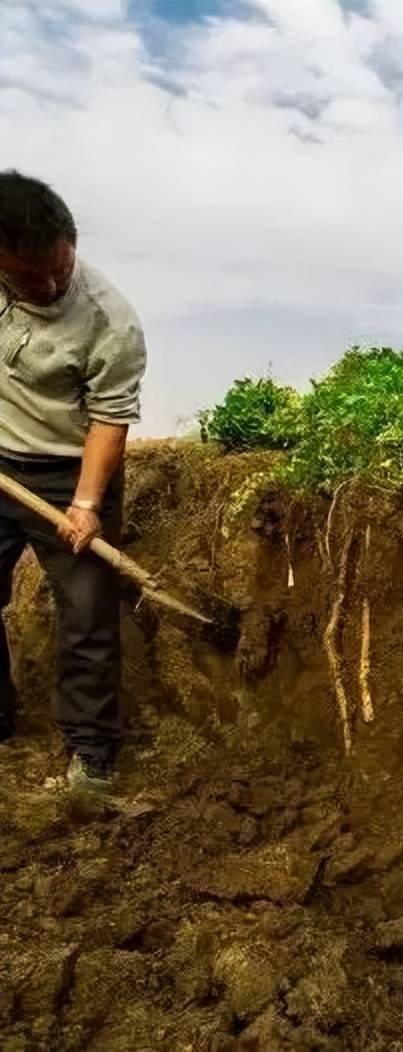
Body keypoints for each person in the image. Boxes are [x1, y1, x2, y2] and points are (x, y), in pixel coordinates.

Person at [0, 171, 146, 799]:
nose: (52, 285)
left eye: (60, 268)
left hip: (68, 471)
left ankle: (93, 754)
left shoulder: (110, 321)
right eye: (33, 278)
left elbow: (109, 421)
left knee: (87, 615)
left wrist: (85, 504)